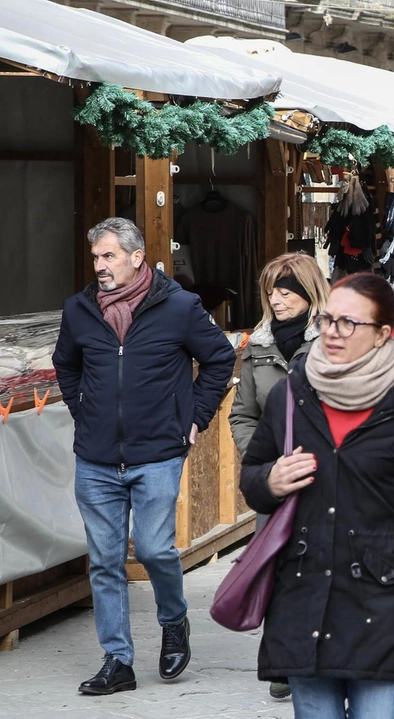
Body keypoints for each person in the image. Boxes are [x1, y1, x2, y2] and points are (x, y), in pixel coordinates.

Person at [238, 273, 394, 718]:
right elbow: (252, 480)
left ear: (383, 334)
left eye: (349, 323)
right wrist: (270, 480)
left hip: (384, 602)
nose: (333, 332)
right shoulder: (293, 393)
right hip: (305, 599)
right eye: (327, 320)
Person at [52, 217, 236, 695]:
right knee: (105, 560)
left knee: (154, 548)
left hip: (157, 453)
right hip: (95, 459)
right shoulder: (79, 310)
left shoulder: (178, 307)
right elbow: (66, 365)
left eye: (109, 256)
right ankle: (118, 660)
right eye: (95, 257)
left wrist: (194, 415)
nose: (100, 266)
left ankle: (174, 621)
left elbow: (219, 358)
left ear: (137, 258)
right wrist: (83, 411)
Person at [226, 252, 329, 700]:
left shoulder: (333, 340)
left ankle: (329, 649)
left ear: (308, 293)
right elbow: (243, 414)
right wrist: (263, 464)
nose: (276, 298)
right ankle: (286, 663)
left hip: (328, 477)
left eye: (286, 290)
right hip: (276, 482)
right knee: (277, 569)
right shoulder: (259, 345)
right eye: (271, 290)